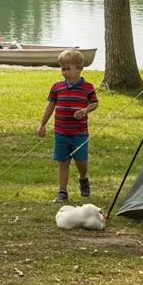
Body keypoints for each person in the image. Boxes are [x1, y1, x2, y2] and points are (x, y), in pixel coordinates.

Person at [37, 48, 98, 203]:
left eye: (67, 68)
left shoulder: (88, 88)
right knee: (63, 161)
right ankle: (62, 191)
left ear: (79, 69)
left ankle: (83, 177)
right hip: (61, 132)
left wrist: (85, 110)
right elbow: (50, 106)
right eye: (62, 68)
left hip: (79, 133)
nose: (63, 72)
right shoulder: (57, 87)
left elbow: (94, 103)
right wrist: (42, 124)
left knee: (81, 161)